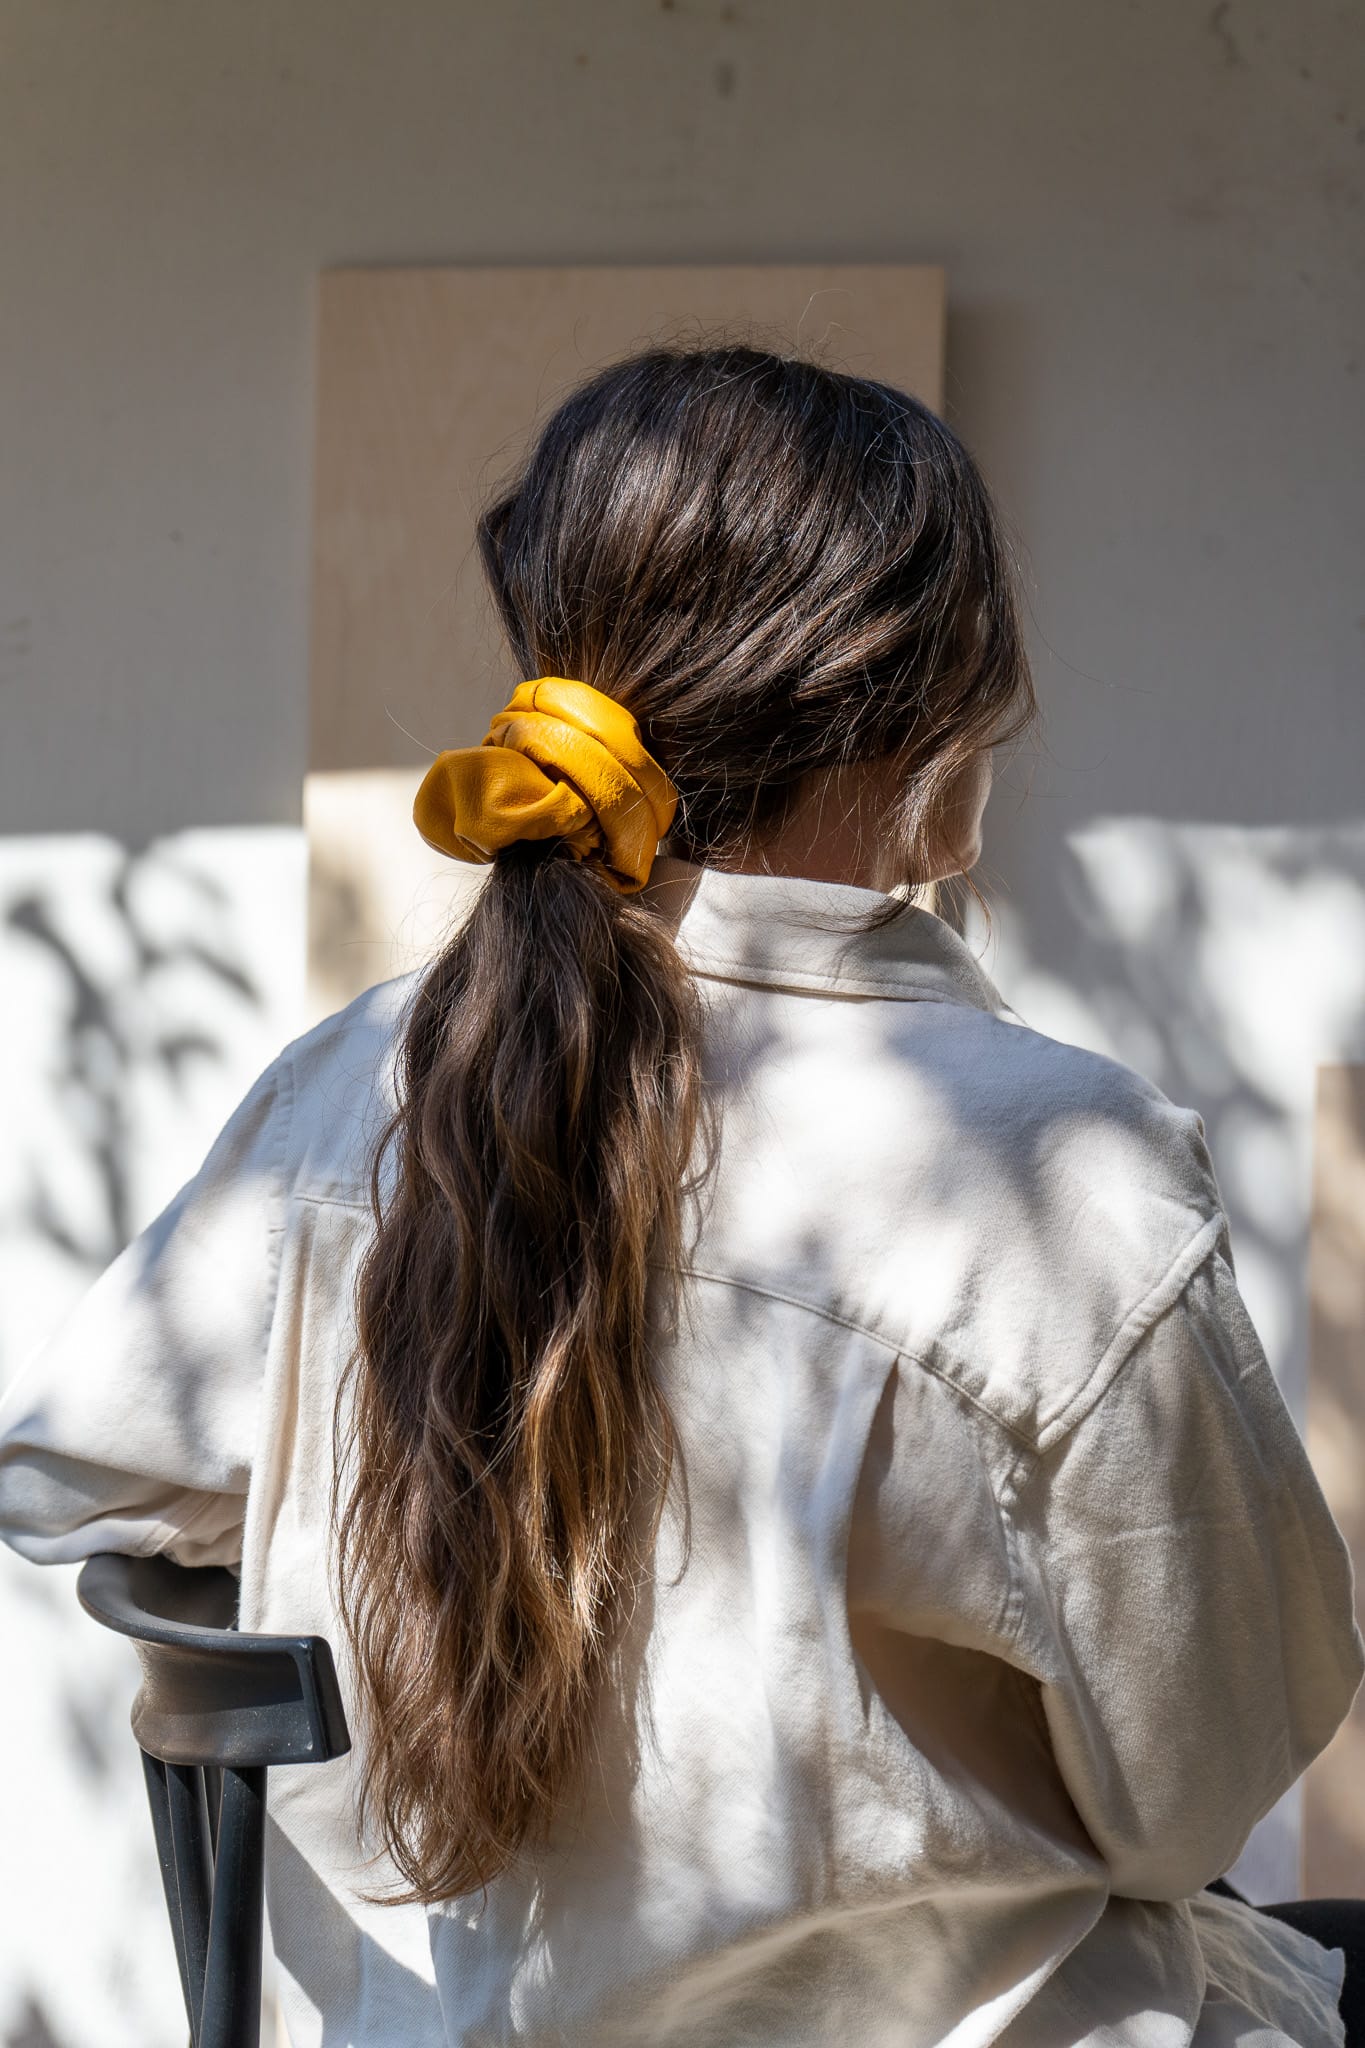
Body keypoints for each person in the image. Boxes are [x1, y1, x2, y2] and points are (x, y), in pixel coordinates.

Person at [0, 345, 1361, 2048]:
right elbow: (1193, 1795)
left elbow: (76, 1480)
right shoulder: (1057, 1173)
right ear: (931, 722)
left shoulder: (349, 1081)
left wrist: (376, 1547)